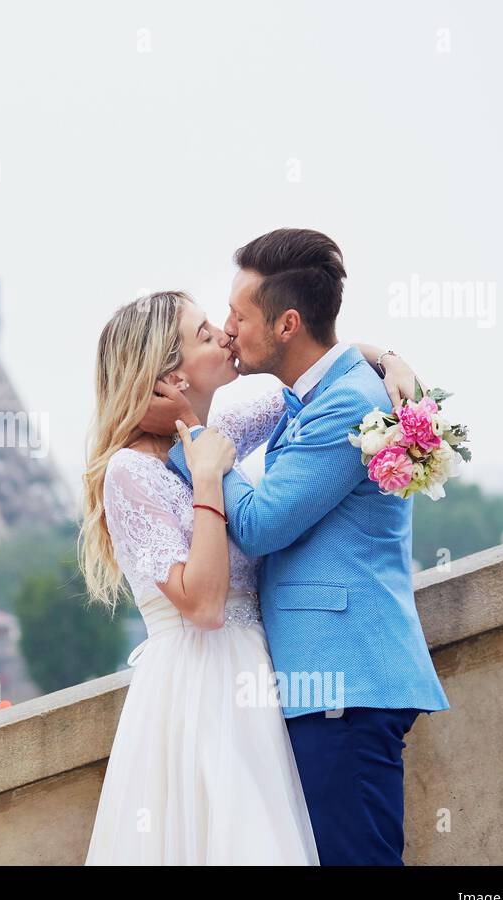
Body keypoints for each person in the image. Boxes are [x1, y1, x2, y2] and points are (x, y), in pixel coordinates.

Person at [79, 284, 420, 864]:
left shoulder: (215, 434)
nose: (226, 335)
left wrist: (385, 359)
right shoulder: (130, 473)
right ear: (170, 374)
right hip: (201, 691)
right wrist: (208, 479)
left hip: (260, 677)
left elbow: (306, 388)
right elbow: (205, 604)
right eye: (205, 333)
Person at [152, 228, 451, 865]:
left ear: (288, 323)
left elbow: (259, 525)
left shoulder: (346, 404)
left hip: (343, 685)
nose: (228, 330)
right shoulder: (322, 389)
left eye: (238, 316)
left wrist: (196, 447)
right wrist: (384, 354)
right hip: (326, 686)